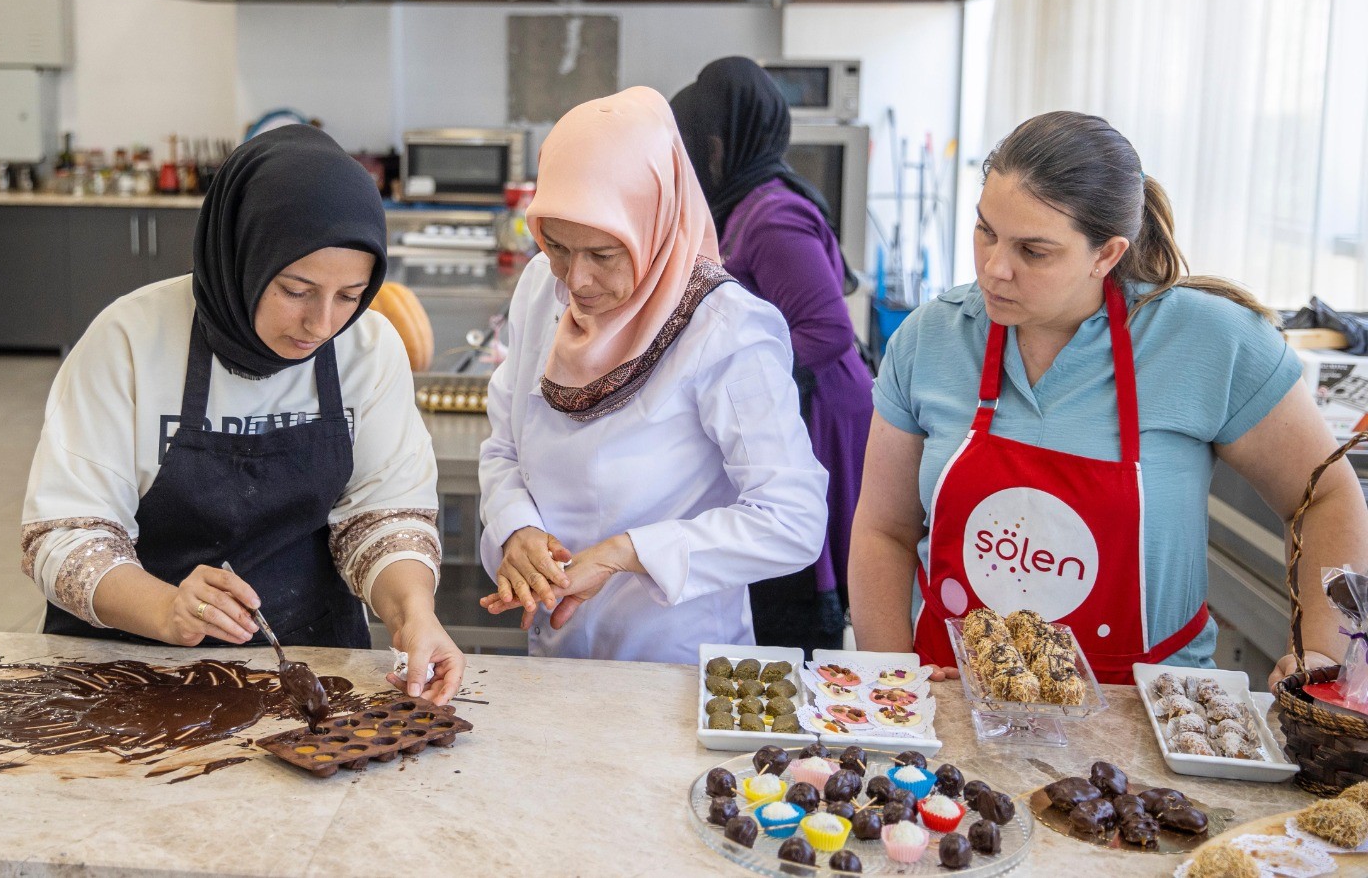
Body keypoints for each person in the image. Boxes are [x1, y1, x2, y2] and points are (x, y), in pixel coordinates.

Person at [848, 111, 1368, 687]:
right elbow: (883, 530)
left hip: (1149, 715)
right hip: (955, 709)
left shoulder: (1211, 343)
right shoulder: (931, 339)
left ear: (1107, 254)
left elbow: (1328, 498)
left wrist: (1324, 653)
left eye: (1034, 251)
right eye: (985, 231)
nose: (995, 268)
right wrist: (892, 685)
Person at [20, 125, 464, 702]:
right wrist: (164, 608)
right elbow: (64, 534)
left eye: (350, 296)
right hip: (128, 667)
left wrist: (412, 616)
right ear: (242, 256)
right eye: (295, 290)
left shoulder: (369, 348)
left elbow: (380, 517)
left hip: (310, 662)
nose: (321, 325)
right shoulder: (129, 339)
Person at [475, 86, 828, 663]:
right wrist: (516, 529)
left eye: (605, 255)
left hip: (676, 662)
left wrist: (627, 552)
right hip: (555, 656)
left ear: (657, 224)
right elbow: (504, 447)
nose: (578, 280)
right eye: (558, 245)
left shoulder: (726, 329)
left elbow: (792, 520)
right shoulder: (542, 288)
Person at [671, 56, 874, 655]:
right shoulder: (751, 202)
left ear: (722, 143)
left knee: (798, 580)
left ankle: (805, 711)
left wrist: (738, 378)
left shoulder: (772, 215)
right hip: (807, 399)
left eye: (695, 148)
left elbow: (826, 328)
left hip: (822, 412)